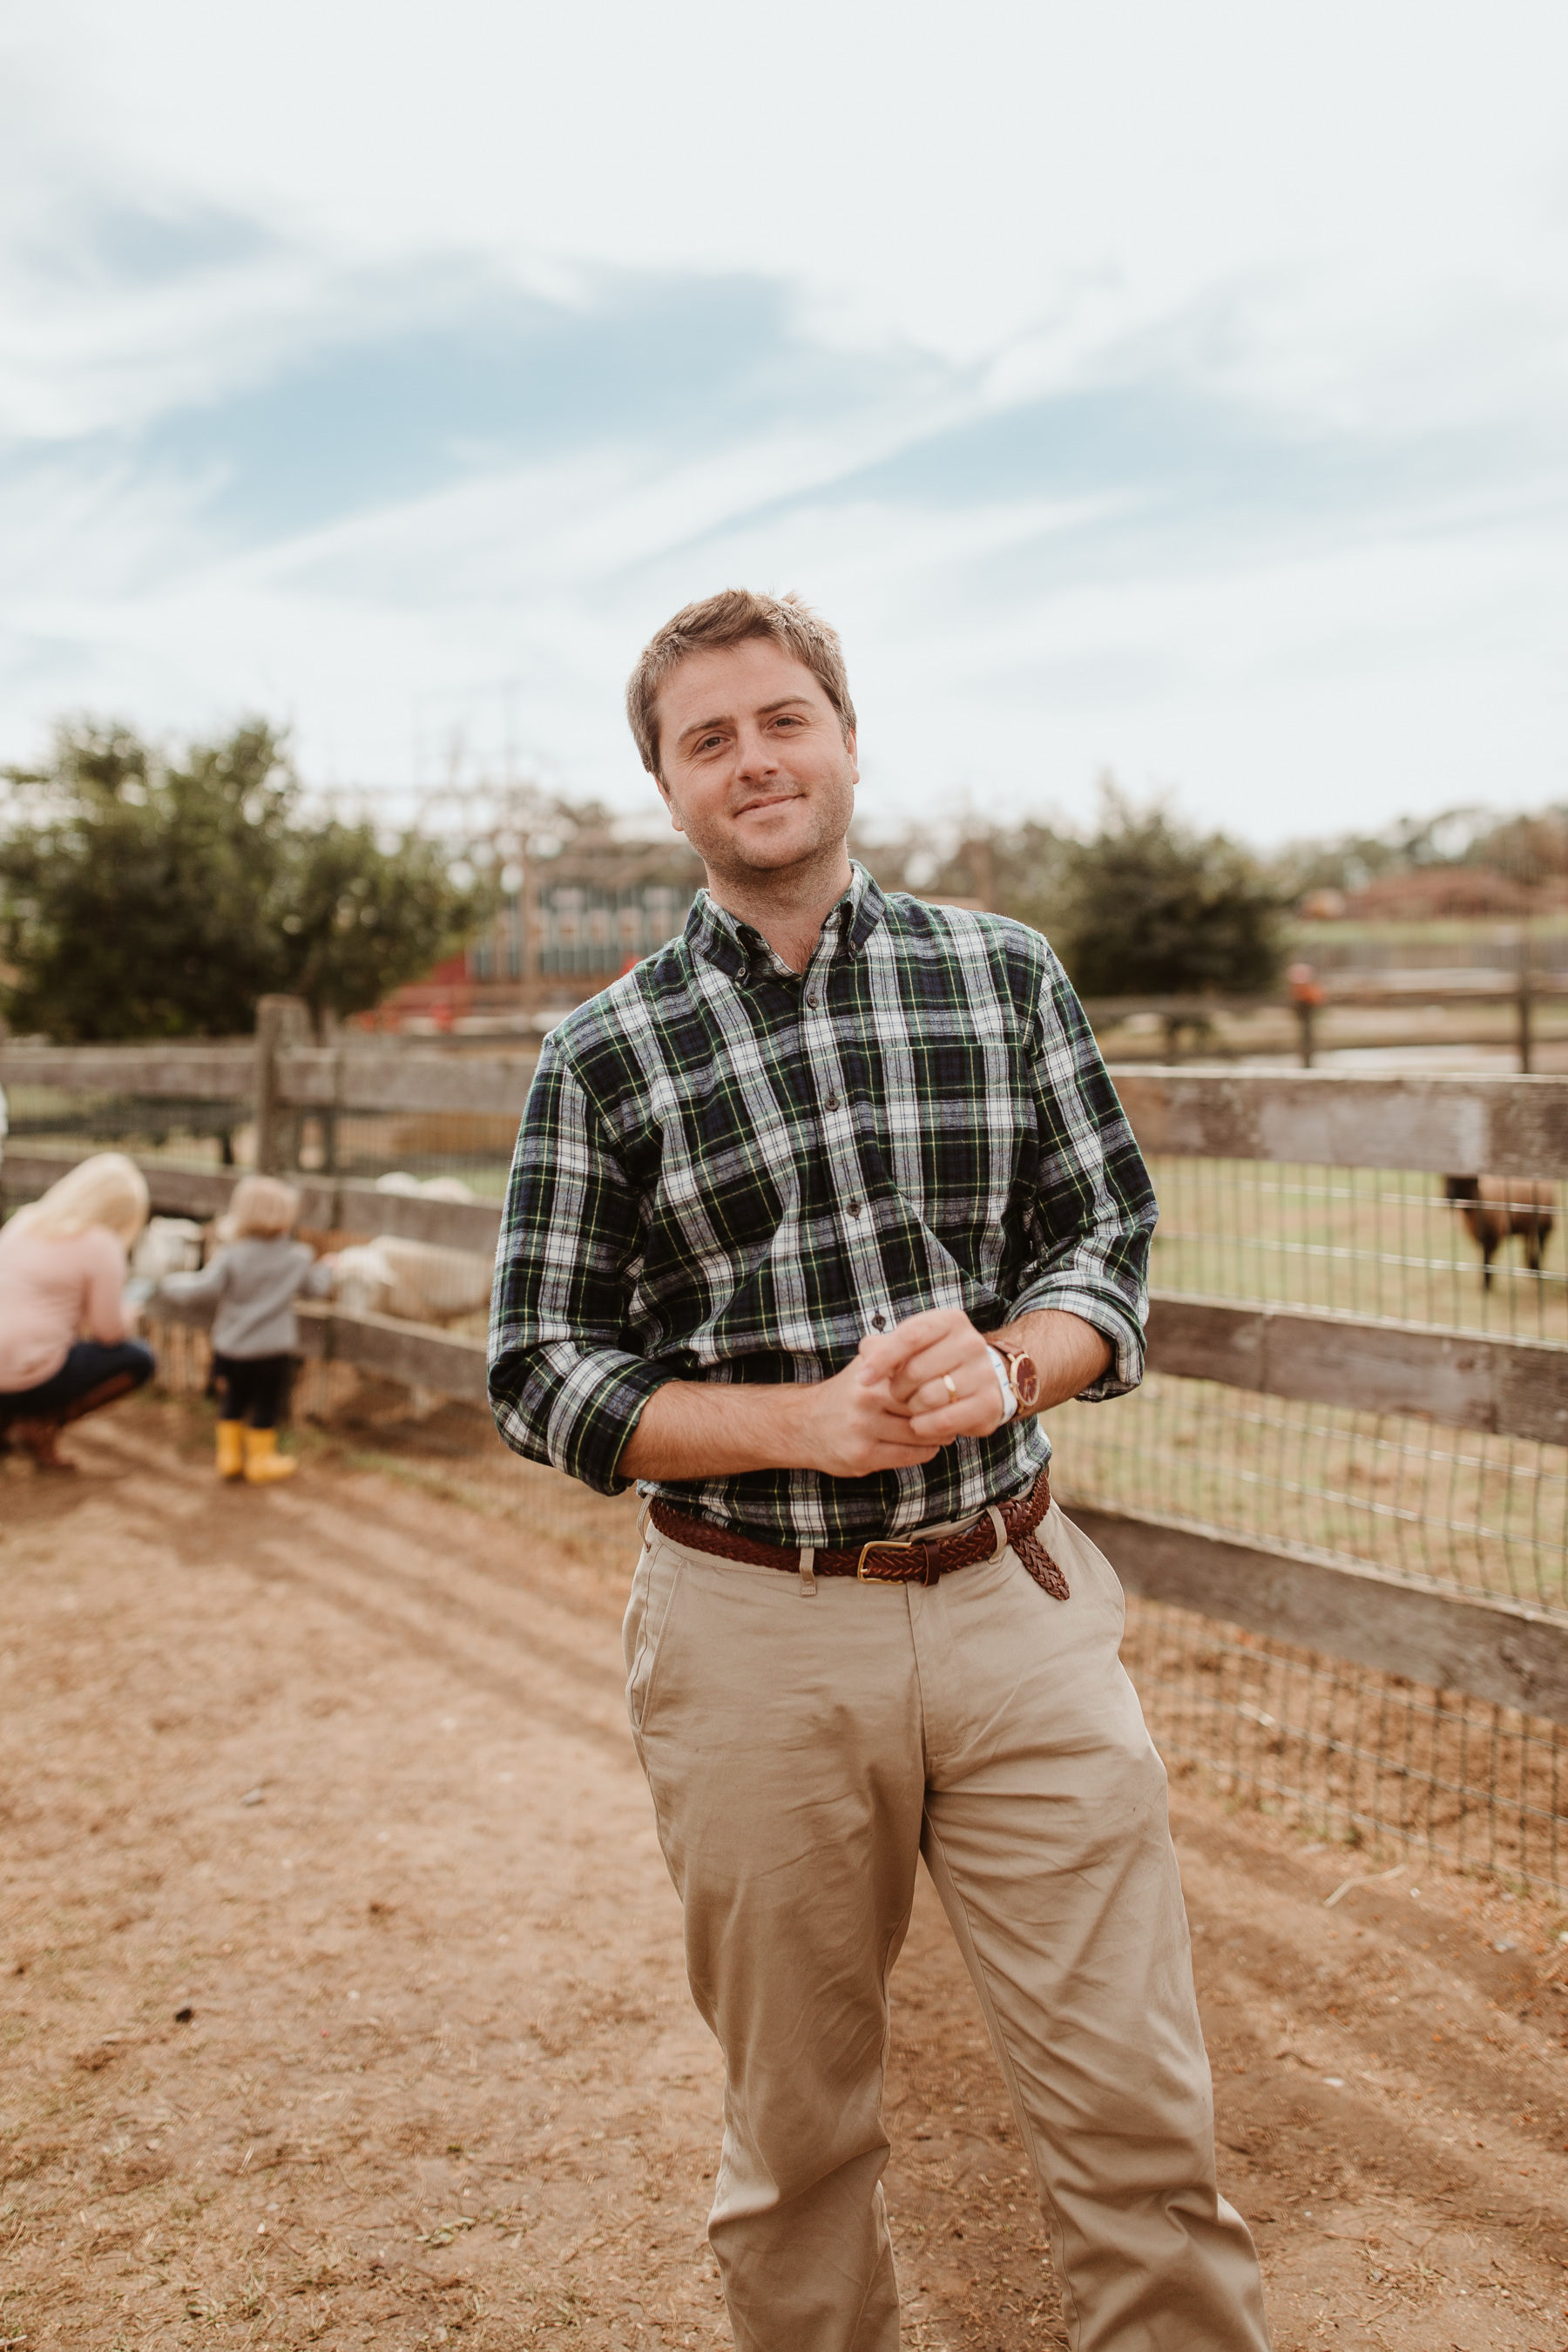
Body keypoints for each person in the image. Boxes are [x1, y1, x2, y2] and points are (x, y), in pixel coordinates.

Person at [489, 590, 1272, 2352]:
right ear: (668, 791)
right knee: (800, 2142)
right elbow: (539, 1371)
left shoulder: (1002, 974)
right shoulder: (600, 1056)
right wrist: (798, 1420)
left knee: (1143, 2123)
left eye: (783, 720)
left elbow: (1107, 1246)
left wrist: (1012, 1364)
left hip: (1017, 1604)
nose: (753, 759)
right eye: (710, 739)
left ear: (847, 736)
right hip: (752, 1634)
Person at [153, 1173, 336, 1484]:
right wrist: (330, 1269)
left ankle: (229, 1457)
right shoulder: (298, 1256)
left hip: (233, 1347)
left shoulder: (231, 1255)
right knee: (265, 1403)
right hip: (271, 1350)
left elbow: (204, 1288)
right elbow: (314, 1289)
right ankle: (261, 1461)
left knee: (233, 1399)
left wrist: (170, 1283)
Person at [0, 1151, 155, 1470]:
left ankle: (5, 1424)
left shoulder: (25, 1219)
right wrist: (130, 1313)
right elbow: (109, 1333)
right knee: (139, 1359)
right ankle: (43, 1424)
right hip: (31, 1377)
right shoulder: (101, 1244)